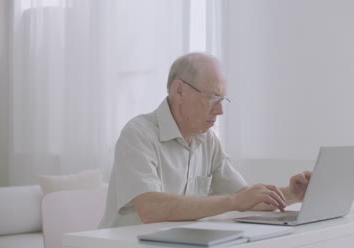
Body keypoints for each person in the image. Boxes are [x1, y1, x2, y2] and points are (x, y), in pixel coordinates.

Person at [99, 52, 311, 228]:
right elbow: (151, 209)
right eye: (212, 98)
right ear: (179, 91)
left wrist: (293, 193)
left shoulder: (208, 141)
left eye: (222, 100)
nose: (220, 111)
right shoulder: (138, 134)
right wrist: (233, 202)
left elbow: (247, 199)